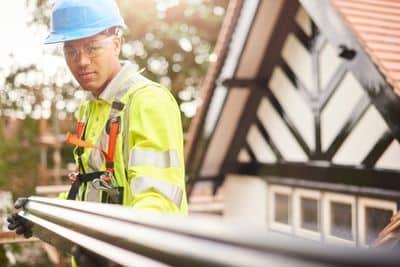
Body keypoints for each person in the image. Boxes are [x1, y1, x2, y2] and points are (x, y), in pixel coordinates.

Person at [8, 0, 188, 264]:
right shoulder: (91, 108)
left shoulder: (148, 101)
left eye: (92, 48)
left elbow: (158, 201)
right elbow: (89, 188)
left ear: (116, 43)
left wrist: (114, 252)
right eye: (71, 51)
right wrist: (37, 215)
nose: (81, 61)